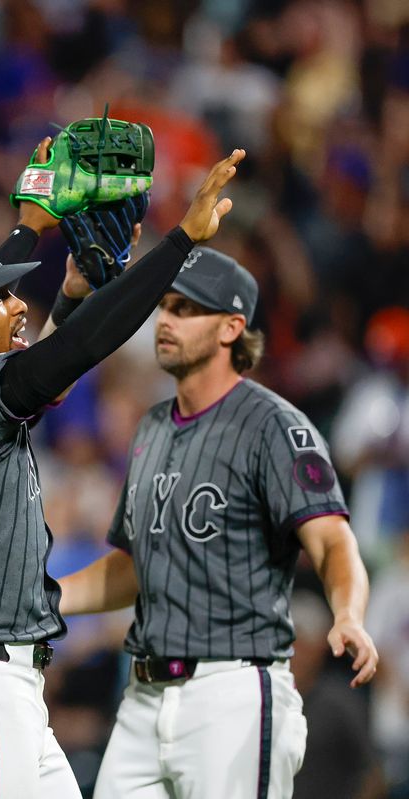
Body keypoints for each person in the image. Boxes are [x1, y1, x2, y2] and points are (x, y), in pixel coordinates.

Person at [0, 150, 246, 797]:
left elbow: (46, 368)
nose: (17, 305)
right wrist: (180, 240)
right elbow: (75, 353)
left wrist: (67, 285)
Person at [58, 247, 378, 798]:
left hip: (231, 694)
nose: (165, 321)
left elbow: (331, 541)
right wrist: (45, 597)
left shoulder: (273, 426)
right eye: (164, 307)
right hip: (142, 696)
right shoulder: (153, 427)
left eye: (186, 309)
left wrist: (348, 612)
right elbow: (137, 566)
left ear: (232, 328)